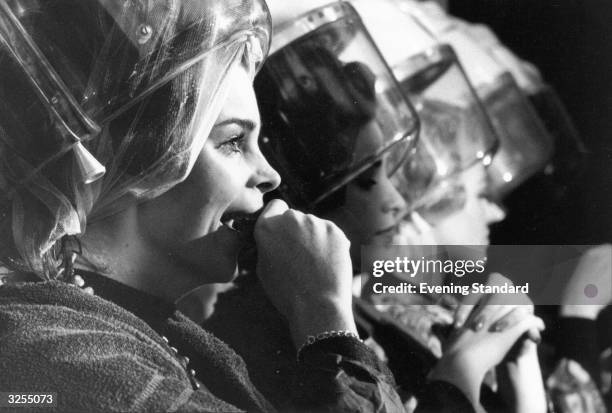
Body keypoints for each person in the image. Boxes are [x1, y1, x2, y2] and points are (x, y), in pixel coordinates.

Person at [204, 1, 546, 412]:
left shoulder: (378, 310)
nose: (400, 201)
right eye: (367, 181)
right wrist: (462, 373)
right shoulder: (262, 335)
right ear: (295, 195)